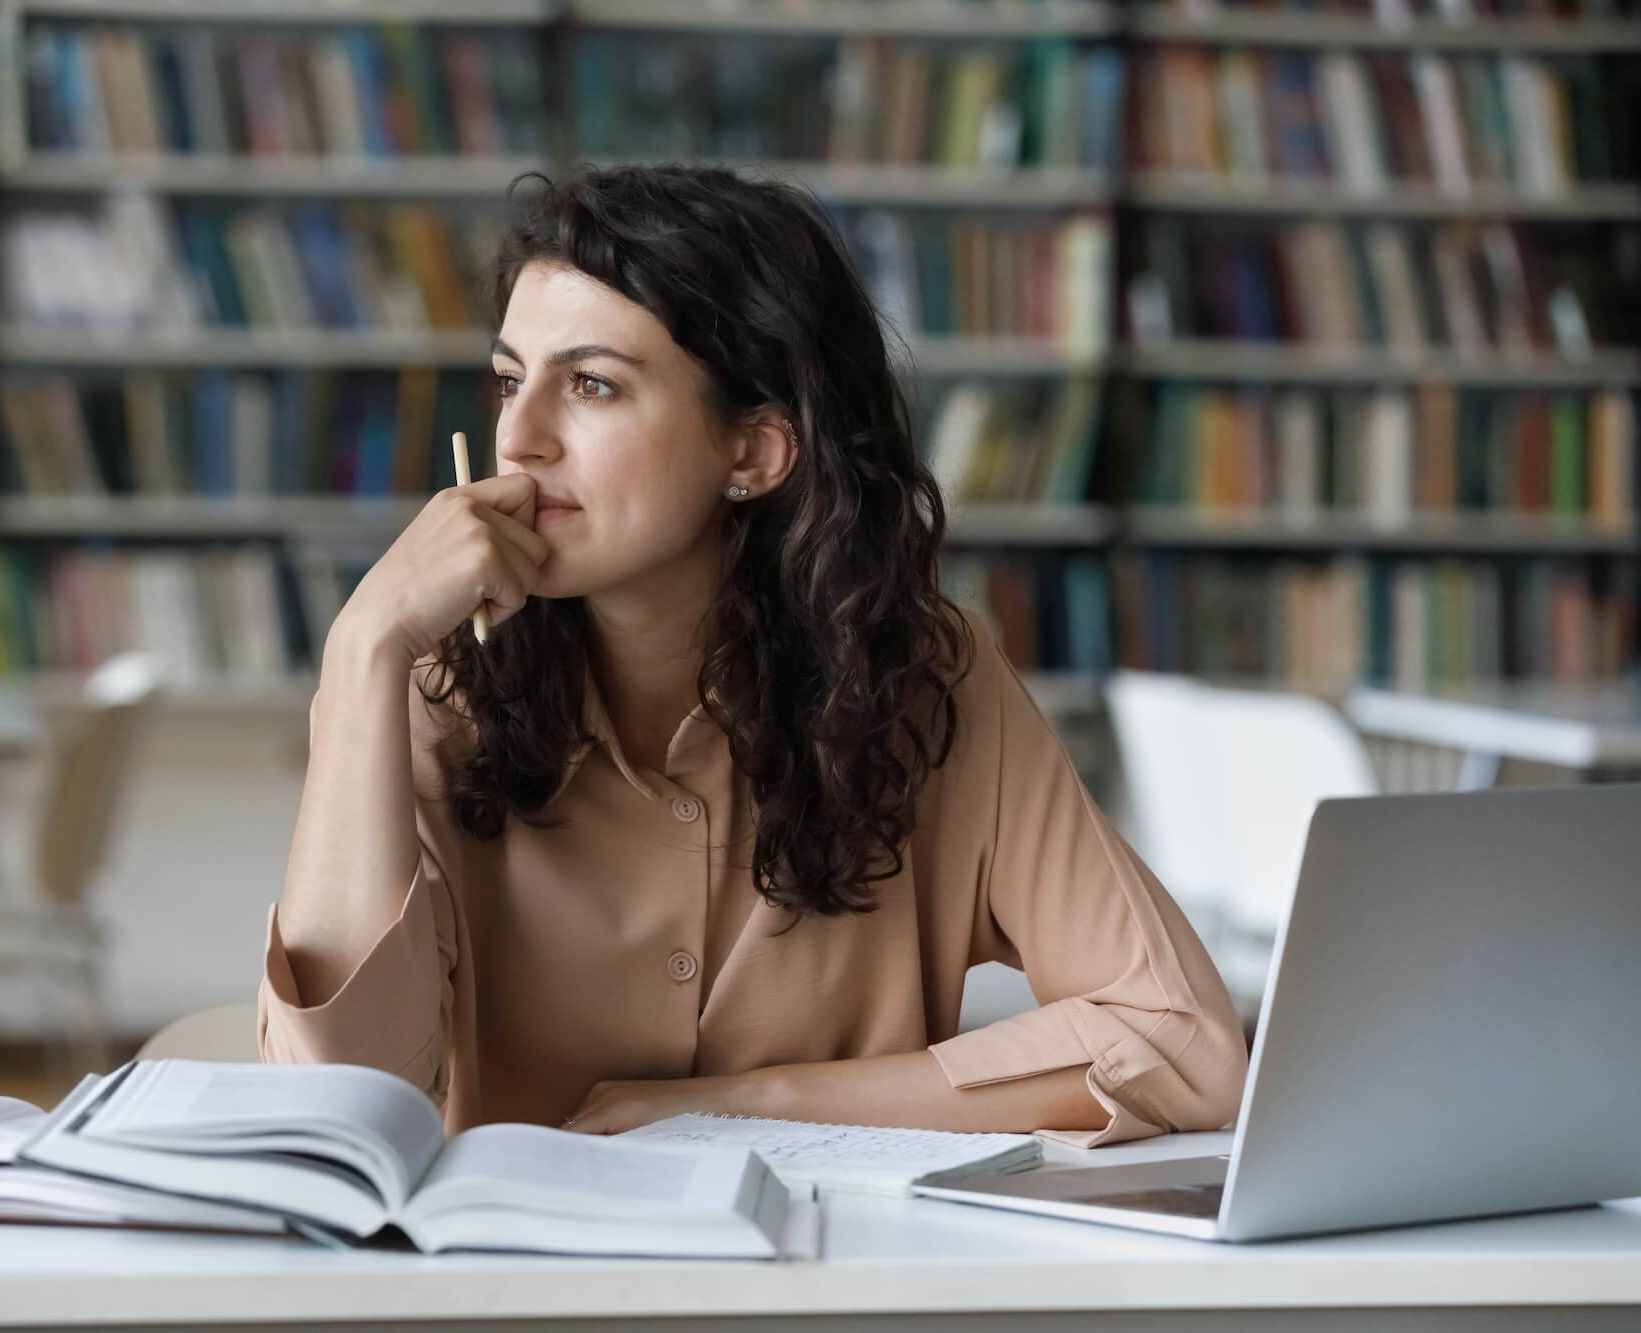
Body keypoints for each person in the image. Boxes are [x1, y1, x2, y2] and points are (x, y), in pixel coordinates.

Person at [258, 164, 1246, 1146]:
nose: (519, 439)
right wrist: (360, 652)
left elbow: (1182, 1042)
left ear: (752, 452)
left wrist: (750, 1101)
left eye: (590, 384)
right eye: (511, 379)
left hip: (837, 1287)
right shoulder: (433, 685)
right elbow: (334, 1114)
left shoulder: (927, 682)